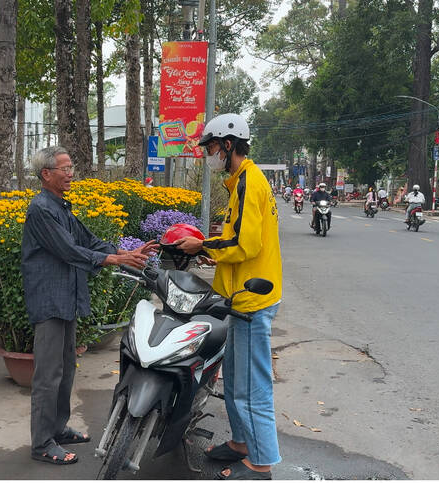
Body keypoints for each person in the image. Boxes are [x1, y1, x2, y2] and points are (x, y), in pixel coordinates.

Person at [21, 146, 157, 465]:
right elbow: (69, 251)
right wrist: (115, 258)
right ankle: (42, 442)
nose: (71, 174)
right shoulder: (41, 209)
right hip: (50, 301)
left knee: (67, 368)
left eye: (71, 169)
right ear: (46, 174)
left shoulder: (61, 206)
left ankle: (57, 428)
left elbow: (89, 241)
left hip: (66, 299)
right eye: (65, 169)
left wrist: (131, 250)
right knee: (48, 375)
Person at [171, 113, 283, 480]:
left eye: (213, 147)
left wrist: (203, 242)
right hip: (240, 297)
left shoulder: (250, 181)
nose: (210, 154)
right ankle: (240, 443)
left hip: (254, 299)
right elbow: (235, 240)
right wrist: (212, 251)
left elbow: (246, 244)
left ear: (229, 145)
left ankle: (262, 462)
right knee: (234, 378)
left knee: (252, 387)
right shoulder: (240, 182)